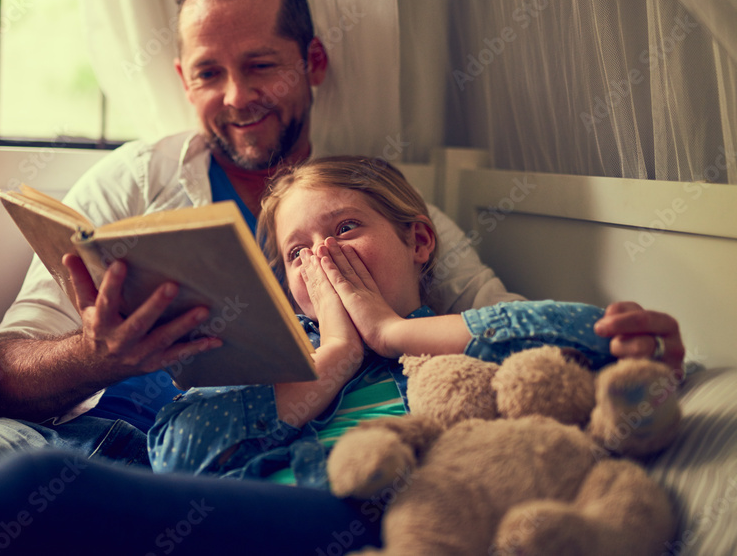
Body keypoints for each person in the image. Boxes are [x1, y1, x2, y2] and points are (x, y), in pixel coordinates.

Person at [0, 0, 683, 531]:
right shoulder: (134, 178)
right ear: (185, 78)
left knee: (29, 495)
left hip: (194, 464)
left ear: (312, 63)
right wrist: (95, 350)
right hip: (64, 427)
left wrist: (617, 338)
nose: (237, 98)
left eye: (262, 65)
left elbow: (502, 321)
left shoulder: (379, 210)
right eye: (209, 72)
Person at [148, 156, 671, 487]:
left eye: (346, 228)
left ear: (418, 242)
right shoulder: (271, 359)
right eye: (297, 253)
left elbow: (594, 335)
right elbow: (175, 458)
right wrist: (333, 356)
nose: (323, 257)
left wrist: (391, 333)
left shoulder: (456, 335)